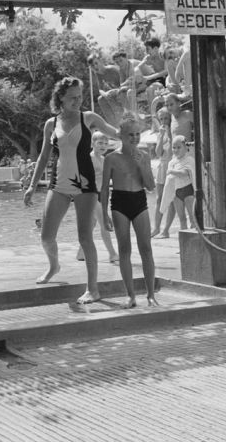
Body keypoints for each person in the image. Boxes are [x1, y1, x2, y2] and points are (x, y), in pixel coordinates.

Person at [23, 77, 119, 304]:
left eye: (80, 96)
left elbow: (114, 131)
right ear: (61, 99)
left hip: (85, 186)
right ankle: (54, 266)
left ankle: (93, 289)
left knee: (85, 238)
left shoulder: (89, 118)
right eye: (73, 97)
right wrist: (31, 186)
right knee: (46, 237)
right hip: (59, 185)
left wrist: (129, 129)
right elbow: (44, 157)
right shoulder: (51, 124)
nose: (78, 100)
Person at [101, 118, 157, 308]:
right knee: (124, 249)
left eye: (137, 134)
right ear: (121, 136)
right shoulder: (111, 158)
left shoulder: (144, 156)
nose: (134, 138)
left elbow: (150, 186)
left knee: (146, 249)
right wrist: (103, 213)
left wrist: (141, 166)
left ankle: (150, 295)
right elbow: (104, 189)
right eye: (130, 135)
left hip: (139, 201)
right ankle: (131, 295)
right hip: (120, 203)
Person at [76, 131, 118, 264]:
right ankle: (112, 253)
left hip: (100, 195)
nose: (103, 146)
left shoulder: (104, 159)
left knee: (92, 224)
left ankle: (81, 253)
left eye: (106, 143)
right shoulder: (89, 158)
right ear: (92, 143)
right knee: (104, 223)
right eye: (100, 143)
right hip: (90, 195)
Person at [157, 135, 196, 238]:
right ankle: (185, 242)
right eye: (174, 147)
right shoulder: (172, 162)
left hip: (188, 191)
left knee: (193, 218)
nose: (176, 150)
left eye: (179, 147)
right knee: (182, 218)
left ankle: (194, 240)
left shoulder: (189, 159)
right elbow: (169, 180)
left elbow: (184, 173)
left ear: (185, 147)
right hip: (177, 193)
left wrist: (171, 171)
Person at [150, 107, 173, 237]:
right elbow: (158, 153)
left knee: (171, 200)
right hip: (163, 166)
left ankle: (166, 229)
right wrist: (162, 135)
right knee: (159, 198)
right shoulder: (161, 133)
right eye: (162, 119)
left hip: (172, 165)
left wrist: (169, 134)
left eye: (166, 118)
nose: (164, 121)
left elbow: (171, 150)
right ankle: (156, 228)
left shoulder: (173, 130)